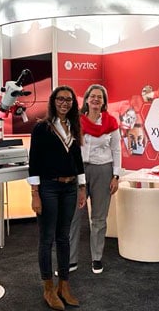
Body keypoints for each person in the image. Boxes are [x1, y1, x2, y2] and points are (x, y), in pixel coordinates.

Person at [28, 86, 87, 310]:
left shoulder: (73, 126)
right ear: (53, 101)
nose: (64, 103)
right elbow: (34, 162)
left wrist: (82, 187)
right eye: (60, 99)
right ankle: (48, 288)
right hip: (48, 189)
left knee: (64, 237)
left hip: (70, 188)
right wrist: (35, 194)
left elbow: (78, 160)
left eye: (69, 100)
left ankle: (64, 285)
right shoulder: (42, 128)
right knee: (47, 239)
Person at [68, 84, 121, 275]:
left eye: (100, 97)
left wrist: (116, 176)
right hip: (79, 171)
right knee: (73, 216)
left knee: (99, 218)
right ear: (87, 100)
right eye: (93, 96)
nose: (96, 99)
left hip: (103, 171)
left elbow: (116, 150)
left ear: (104, 101)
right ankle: (70, 260)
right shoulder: (76, 121)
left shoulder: (111, 123)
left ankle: (96, 258)